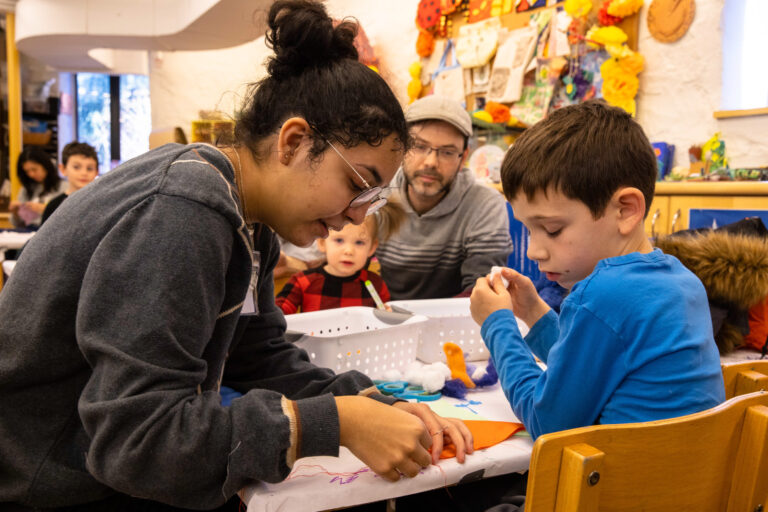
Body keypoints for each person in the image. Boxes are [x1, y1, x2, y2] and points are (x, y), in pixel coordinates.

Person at [0, 2, 473, 511]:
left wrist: (370, 401)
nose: (357, 218)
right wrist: (336, 422)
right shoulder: (183, 212)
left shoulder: (251, 223)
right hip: (49, 485)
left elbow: (258, 354)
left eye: (373, 201)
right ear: (294, 142)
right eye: (359, 185)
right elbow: (137, 442)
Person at [470, 100, 725, 455]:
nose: (533, 252)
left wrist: (497, 324)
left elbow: (546, 425)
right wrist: (533, 311)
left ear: (625, 210)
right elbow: (597, 359)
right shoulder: (681, 280)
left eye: (552, 229)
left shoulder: (601, 294)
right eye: (528, 230)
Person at [374, 95, 513, 300]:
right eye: (419, 147)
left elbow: (482, 291)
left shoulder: (484, 205)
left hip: (450, 324)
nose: (431, 162)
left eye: (447, 152)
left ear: (463, 158)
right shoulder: (375, 194)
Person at [276, 201, 403, 314]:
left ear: (371, 248)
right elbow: (277, 314)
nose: (349, 251)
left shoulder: (375, 284)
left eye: (359, 243)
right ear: (322, 243)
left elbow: (384, 318)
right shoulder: (302, 282)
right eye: (339, 240)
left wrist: (388, 314)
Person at [40, 141, 99, 225]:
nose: (84, 173)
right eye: (76, 167)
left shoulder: (101, 203)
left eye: (89, 168)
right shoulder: (54, 206)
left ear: (96, 172)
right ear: (63, 169)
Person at [8, 146, 64, 229]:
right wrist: (16, 213)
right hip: (27, 232)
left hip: (52, 231)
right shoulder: (26, 189)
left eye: (34, 169)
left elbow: (67, 219)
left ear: (45, 165)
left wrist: (46, 209)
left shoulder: (64, 187)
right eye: (27, 171)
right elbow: (17, 224)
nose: (31, 174)